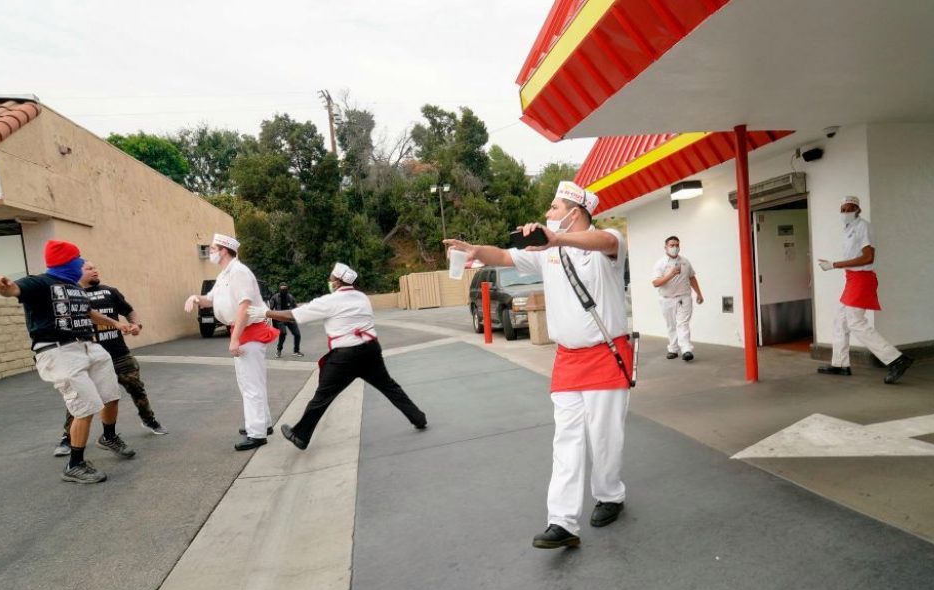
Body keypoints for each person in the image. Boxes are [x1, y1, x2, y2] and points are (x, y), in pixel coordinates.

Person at [444, 181, 632, 550]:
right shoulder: (547, 253)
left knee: (605, 437)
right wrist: (474, 249)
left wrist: (556, 239)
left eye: (554, 207)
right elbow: (502, 257)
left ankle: (610, 495)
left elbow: (609, 242)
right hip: (567, 359)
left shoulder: (606, 241)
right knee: (566, 439)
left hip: (606, 355)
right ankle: (562, 521)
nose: (547, 213)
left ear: (574, 213)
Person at [0, 240, 137, 484]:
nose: (82, 263)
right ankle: (75, 464)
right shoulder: (40, 282)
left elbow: (88, 312)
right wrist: (4, 289)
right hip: (58, 351)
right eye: (78, 259)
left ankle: (109, 437)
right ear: (68, 262)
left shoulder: (75, 287)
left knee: (110, 395)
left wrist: (116, 323)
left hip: (88, 346)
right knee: (86, 406)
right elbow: (15, 290)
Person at [250, 262, 427, 450]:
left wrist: (265, 312)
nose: (330, 281)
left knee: (322, 396)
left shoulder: (330, 301)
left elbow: (293, 315)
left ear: (337, 282)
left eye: (332, 279)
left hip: (345, 357)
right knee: (390, 386)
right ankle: (418, 417)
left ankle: (300, 435)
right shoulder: (362, 297)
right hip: (371, 350)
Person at [52, 261, 166, 456]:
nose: (95, 270)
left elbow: (129, 310)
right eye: (89, 268)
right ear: (77, 273)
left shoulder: (110, 291)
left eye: (96, 267)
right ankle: (67, 437)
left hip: (119, 353)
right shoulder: (72, 294)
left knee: (136, 387)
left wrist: (136, 324)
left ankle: (149, 420)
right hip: (87, 356)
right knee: (79, 396)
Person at [184, 233, 277, 450]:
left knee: (251, 384)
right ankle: (263, 424)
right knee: (250, 383)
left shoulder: (239, 272)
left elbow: (244, 306)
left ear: (224, 250)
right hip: (243, 331)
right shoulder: (225, 275)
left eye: (213, 249)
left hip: (249, 332)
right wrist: (195, 298)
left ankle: (256, 433)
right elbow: (210, 298)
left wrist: (234, 339)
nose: (211, 253)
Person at [817, 196, 913, 383]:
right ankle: (840, 364)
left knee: (855, 322)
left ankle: (896, 359)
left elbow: (868, 257)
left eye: (850, 208)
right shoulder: (848, 229)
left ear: (858, 210)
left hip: (861, 279)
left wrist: (834, 264)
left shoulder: (863, 227)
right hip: (852, 279)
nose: (846, 212)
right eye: (843, 209)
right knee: (840, 321)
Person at [651, 236, 704, 361]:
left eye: (677, 245)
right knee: (671, 325)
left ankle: (686, 350)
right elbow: (655, 283)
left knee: (682, 323)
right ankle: (673, 349)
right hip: (666, 299)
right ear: (665, 247)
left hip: (684, 298)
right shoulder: (660, 263)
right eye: (672, 245)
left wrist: (699, 294)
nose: (675, 248)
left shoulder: (685, 262)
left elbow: (692, 278)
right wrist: (671, 274)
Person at [268, 282, 303, 358]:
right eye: (282, 289)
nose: (284, 290)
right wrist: (271, 317)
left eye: (285, 289)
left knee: (297, 334)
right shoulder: (275, 297)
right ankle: (278, 350)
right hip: (280, 319)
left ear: (287, 289)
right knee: (283, 333)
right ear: (279, 289)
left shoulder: (290, 297)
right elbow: (270, 309)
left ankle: (296, 351)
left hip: (290, 318)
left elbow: (295, 307)